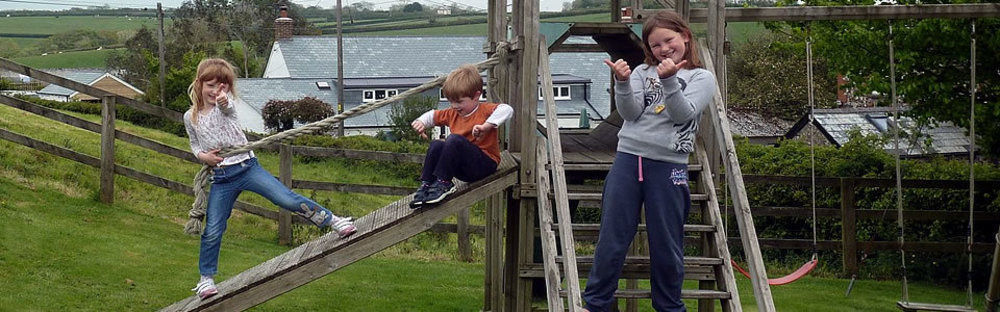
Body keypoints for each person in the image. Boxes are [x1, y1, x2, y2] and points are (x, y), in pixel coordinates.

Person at [183, 58, 357, 300]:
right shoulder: (190, 117)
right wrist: (203, 157)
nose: (216, 92)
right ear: (199, 84)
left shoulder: (227, 104)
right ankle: (205, 279)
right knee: (214, 228)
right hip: (222, 178)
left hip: (246, 168)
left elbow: (227, 108)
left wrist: (224, 100)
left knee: (286, 199)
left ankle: (334, 221)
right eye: (211, 86)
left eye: (222, 87)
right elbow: (194, 145)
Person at [582, 10, 716, 312]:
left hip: (668, 166)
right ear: (649, 49)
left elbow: (683, 113)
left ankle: (669, 306)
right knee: (613, 237)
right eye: (655, 45)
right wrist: (623, 83)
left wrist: (669, 81)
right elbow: (629, 113)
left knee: (666, 243)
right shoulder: (643, 72)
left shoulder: (701, 77)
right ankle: (597, 303)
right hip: (628, 160)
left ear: (685, 36)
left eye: (668, 40)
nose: (664, 49)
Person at [408, 64, 513, 208]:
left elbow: (507, 109)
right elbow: (432, 115)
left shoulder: (484, 110)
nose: (454, 106)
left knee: (454, 139)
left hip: (485, 165)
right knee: (437, 144)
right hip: (464, 170)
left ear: (476, 96)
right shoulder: (453, 113)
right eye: (451, 101)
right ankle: (427, 184)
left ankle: (444, 183)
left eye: (459, 101)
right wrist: (420, 122)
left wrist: (486, 126)